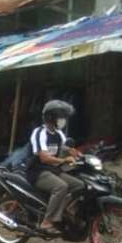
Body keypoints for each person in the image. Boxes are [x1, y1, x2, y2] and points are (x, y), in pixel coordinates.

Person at [30, 100, 82, 233]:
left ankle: (64, 211)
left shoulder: (59, 134)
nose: (62, 120)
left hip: (53, 170)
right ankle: (47, 221)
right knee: (61, 186)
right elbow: (44, 158)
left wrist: (80, 156)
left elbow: (69, 148)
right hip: (38, 171)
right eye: (60, 117)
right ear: (50, 117)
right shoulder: (39, 132)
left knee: (79, 185)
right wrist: (64, 160)